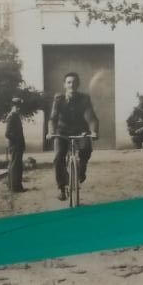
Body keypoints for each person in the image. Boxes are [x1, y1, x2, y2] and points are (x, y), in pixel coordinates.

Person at [47, 72, 99, 201]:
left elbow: (91, 117)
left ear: (78, 84)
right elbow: (53, 118)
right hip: (62, 132)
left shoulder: (84, 99)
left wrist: (94, 131)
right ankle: (61, 188)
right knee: (58, 157)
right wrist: (51, 132)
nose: (72, 85)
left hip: (80, 130)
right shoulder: (58, 99)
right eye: (69, 82)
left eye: (74, 82)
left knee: (86, 149)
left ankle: (81, 170)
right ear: (64, 85)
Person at [4, 97, 26, 193]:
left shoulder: (16, 116)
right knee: (14, 166)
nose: (19, 108)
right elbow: (7, 133)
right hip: (15, 145)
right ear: (13, 106)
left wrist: (22, 143)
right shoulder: (12, 116)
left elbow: (20, 132)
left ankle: (17, 186)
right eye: (17, 106)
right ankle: (14, 188)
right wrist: (17, 141)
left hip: (18, 145)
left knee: (18, 166)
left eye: (19, 106)